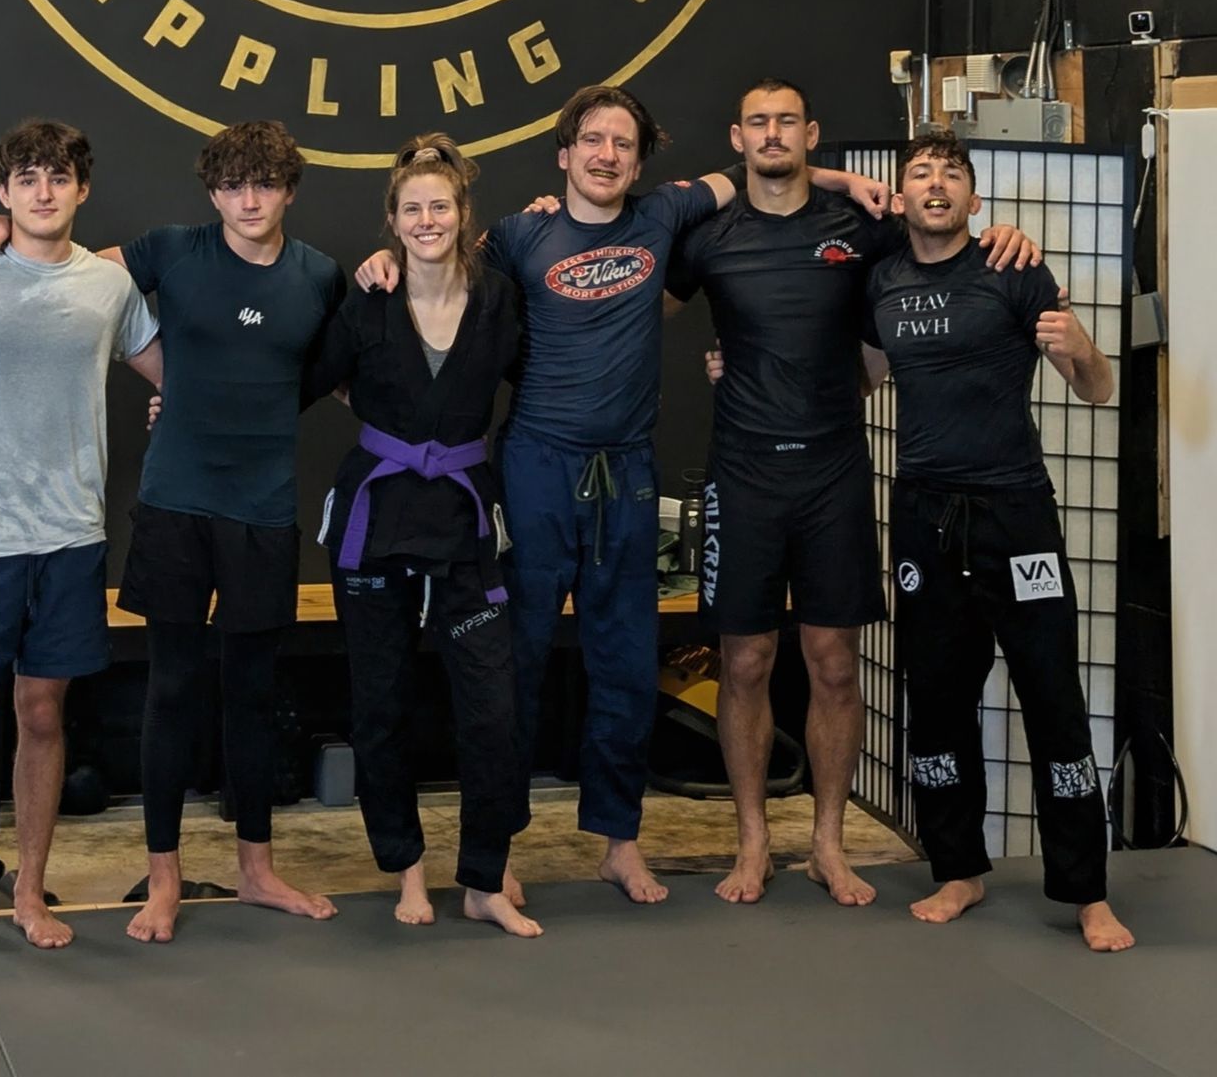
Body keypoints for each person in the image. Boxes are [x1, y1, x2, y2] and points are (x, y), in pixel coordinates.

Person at [357, 84, 884, 905]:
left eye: (624, 143)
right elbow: (439, 266)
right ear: (564, 153)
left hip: (626, 473)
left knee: (627, 665)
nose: (607, 155)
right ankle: (496, 849)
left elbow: (750, 168)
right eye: (592, 141)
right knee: (513, 665)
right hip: (535, 467)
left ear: (640, 159)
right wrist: (388, 257)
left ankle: (619, 840)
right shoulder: (519, 237)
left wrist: (844, 184)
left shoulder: (666, 213)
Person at [0, 119, 345, 944]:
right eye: (235, 184)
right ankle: (165, 877)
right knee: (170, 689)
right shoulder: (171, 248)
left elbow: (345, 374)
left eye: (267, 184)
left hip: (265, 510)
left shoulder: (320, 276)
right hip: (177, 502)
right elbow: (59, 266)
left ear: (289, 190)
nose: (250, 199)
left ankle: (255, 868)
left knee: (249, 695)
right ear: (213, 191)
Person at [668, 78, 1035, 908]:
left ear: (811, 131)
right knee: (746, 659)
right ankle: (754, 840)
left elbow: (943, 243)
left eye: (787, 120)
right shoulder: (708, 234)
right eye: (757, 120)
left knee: (834, 664)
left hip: (834, 471)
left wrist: (1008, 233)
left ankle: (828, 844)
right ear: (737, 133)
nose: (772, 133)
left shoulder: (862, 228)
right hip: (745, 472)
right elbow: (628, 310)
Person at [865, 131, 1131, 951]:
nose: (936, 183)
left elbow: (1096, 386)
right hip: (924, 517)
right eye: (920, 173)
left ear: (974, 201)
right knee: (936, 703)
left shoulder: (1015, 268)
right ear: (901, 197)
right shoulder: (881, 278)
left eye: (951, 173)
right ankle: (959, 868)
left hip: (1017, 514)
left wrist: (1080, 347)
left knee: (1054, 702)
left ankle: (1087, 892)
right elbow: (863, 378)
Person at [0, 119, 162, 954]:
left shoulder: (109, 288)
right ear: (4, 192)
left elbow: (173, 371)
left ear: (81, 189)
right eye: (26, 177)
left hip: (66, 535)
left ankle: (27, 890)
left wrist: (180, 402)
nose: (43, 190)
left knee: (43, 712)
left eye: (58, 177)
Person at [306, 136, 537, 936]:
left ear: (462, 215)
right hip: (378, 522)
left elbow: (547, 379)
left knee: (492, 708)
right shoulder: (369, 298)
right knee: (383, 704)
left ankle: (482, 877)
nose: (428, 219)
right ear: (394, 222)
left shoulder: (502, 297)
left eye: (440, 205)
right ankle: (407, 868)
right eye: (413, 208)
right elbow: (308, 377)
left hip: (469, 522)